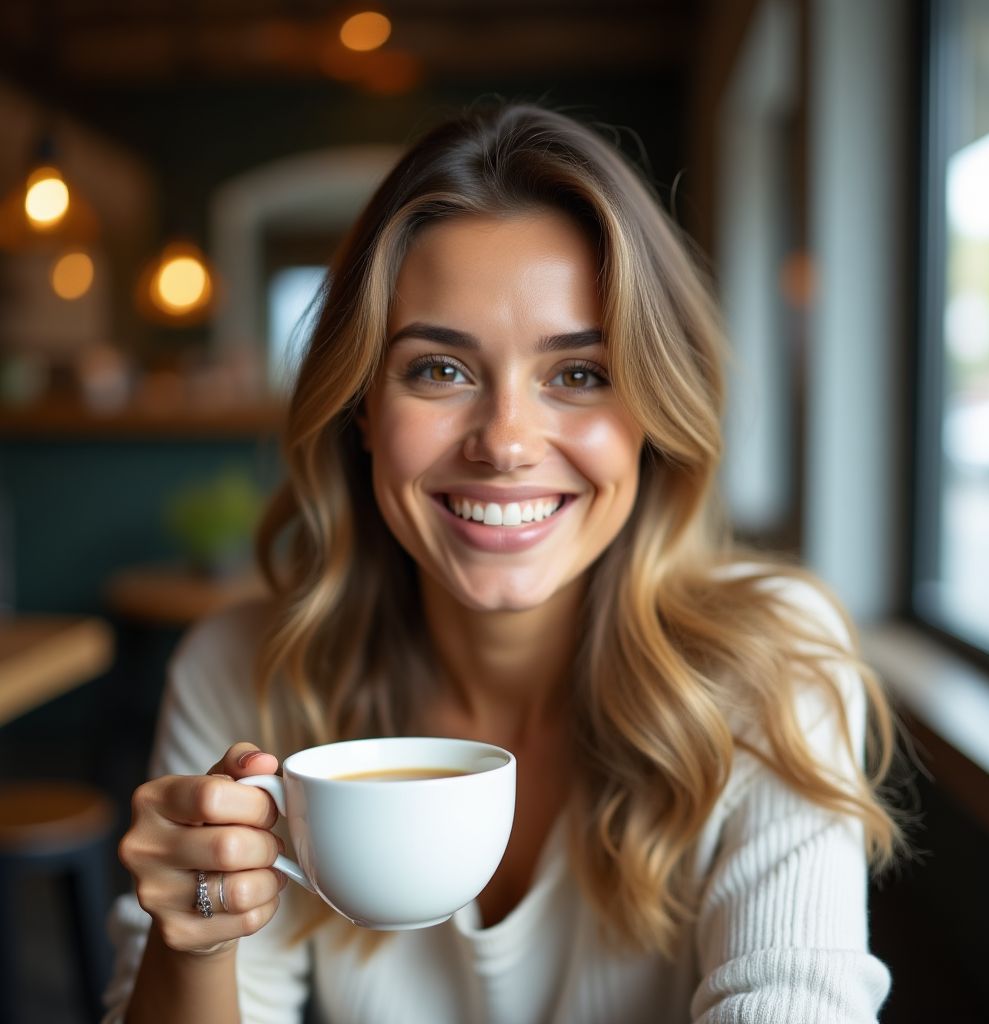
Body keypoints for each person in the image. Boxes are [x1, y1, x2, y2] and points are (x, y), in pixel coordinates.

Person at [105, 103, 902, 1024]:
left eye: (580, 374)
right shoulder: (243, 672)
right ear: (363, 407)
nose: (507, 444)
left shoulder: (772, 662)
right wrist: (197, 939)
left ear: (653, 412)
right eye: (441, 370)